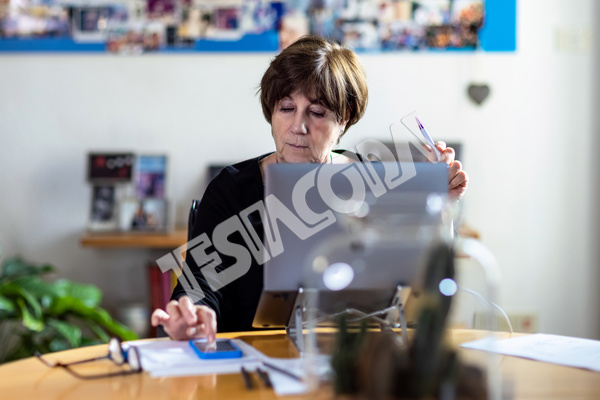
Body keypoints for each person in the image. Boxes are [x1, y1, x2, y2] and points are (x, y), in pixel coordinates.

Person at [151, 35, 469, 342]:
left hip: (355, 356)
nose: (298, 127)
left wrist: (442, 210)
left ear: (344, 119)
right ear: (271, 111)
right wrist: (190, 314)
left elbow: (426, 277)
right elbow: (200, 285)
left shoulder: (374, 181)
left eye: (316, 113)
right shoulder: (233, 189)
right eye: (286, 108)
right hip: (255, 362)